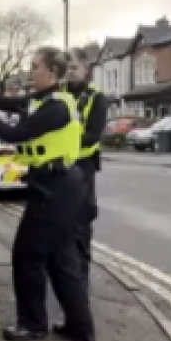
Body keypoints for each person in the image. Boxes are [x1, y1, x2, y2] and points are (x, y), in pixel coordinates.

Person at [0, 46, 95, 341]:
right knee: (61, 258)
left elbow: (14, 134)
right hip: (58, 184)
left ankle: (33, 325)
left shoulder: (56, 108)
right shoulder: (44, 100)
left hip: (56, 187)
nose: (30, 71)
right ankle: (80, 327)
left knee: (27, 255)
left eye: (35, 66)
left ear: (52, 72)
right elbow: (13, 103)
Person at [64, 48, 108, 284]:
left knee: (80, 224)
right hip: (60, 166)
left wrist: (62, 144)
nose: (70, 72)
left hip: (82, 166)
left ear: (85, 69)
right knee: (61, 225)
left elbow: (92, 136)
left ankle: (80, 279)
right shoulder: (58, 93)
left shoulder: (95, 97)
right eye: (67, 68)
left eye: (74, 68)